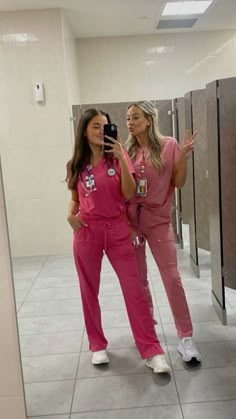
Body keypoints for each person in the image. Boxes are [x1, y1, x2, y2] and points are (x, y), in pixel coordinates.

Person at [66, 108, 171, 373]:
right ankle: (97, 344)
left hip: (116, 228)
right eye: (96, 126)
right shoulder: (76, 163)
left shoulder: (119, 156)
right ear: (84, 131)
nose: (102, 131)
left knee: (134, 290)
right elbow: (75, 198)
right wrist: (70, 215)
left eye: (106, 126)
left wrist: (121, 158)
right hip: (87, 231)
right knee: (89, 289)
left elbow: (128, 192)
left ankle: (152, 350)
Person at [125, 101, 201, 363]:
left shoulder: (169, 146)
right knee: (139, 280)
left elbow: (178, 182)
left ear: (148, 119)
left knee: (171, 277)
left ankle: (186, 337)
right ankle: (147, 327)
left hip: (158, 220)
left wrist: (183, 160)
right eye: (127, 118)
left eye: (134, 117)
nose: (129, 122)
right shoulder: (126, 150)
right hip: (132, 222)